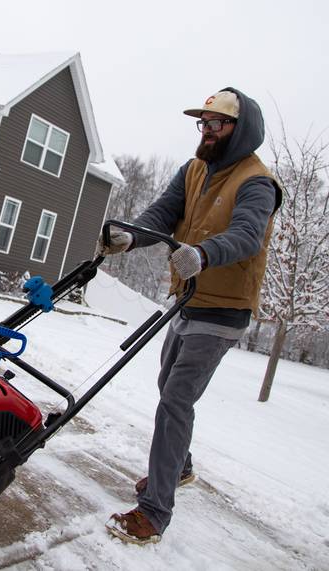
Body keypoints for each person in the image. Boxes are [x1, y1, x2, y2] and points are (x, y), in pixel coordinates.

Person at [99, 88, 282, 545]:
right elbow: (164, 213)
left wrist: (203, 254)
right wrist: (131, 236)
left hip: (222, 311)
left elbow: (246, 235)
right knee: (168, 388)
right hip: (187, 299)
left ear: (241, 130)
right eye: (203, 123)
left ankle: (154, 513)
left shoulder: (256, 181)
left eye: (216, 124)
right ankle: (179, 468)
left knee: (176, 400)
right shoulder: (195, 169)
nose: (207, 131)